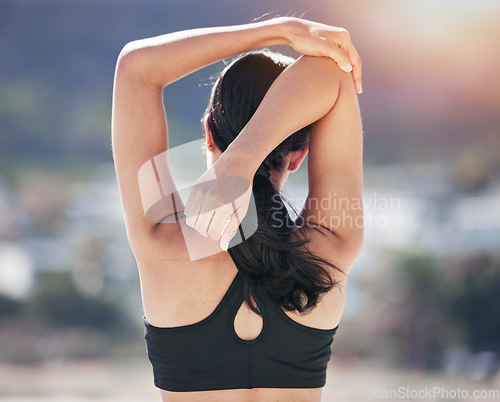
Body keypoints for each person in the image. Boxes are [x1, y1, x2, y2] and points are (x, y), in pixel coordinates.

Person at [112, 15, 364, 402]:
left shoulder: (162, 239)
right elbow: (333, 70)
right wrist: (244, 160)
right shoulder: (331, 245)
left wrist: (278, 29)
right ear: (298, 157)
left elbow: (136, 68)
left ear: (209, 134)